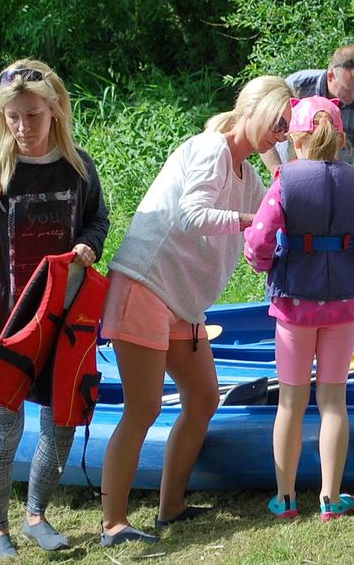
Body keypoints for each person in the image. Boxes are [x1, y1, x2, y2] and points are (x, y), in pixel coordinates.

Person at [99, 75, 293, 546]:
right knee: (142, 408)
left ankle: (171, 506)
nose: (281, 134)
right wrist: (254, 220)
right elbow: (191, 215)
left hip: (185, 303)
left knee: (203, 398)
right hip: (145, 284)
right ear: (251, 110)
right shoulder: (211, 147)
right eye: (276, 123)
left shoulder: (247, 173)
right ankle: (113, 524)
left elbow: (251, 239)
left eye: (287, 127)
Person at [0, 59, 110, 561]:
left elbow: (98, 218)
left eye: (32, 115)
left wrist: (88, 246)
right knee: (3, 428)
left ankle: (36, 515)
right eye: (12, 116)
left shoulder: (79, 167)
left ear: (54, 110)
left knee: (61, 424)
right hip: (0, 322)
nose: (22, 127)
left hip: (59, 320)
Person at [244, 96, 354, 522]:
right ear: (340, 137)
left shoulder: (285, 180)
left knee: (290, 404)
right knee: (333, 403)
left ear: (295, 137)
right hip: (344, 304)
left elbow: (257, 243)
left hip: (294, 304)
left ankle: (286, 498)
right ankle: (330, 498)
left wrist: (267, 265)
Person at [260, 45, 354, 195]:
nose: (353, 97)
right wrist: (278, 175)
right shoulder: (295, 87)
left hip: (336, 189)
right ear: (330, 76)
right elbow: (263, 130)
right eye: (347, 89)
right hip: (288, 183)